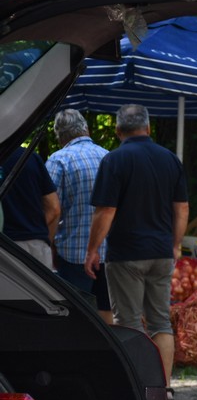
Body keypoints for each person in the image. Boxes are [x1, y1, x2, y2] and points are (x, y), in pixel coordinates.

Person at [85, 104, 187, 400]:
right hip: (161, 252)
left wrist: (93, 250)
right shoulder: (170, 159)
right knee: (160, 322)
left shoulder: (114, 160)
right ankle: (164, 387)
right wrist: (176, 244)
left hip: (126, 254)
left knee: (128, 321)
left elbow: (106, 211)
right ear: (148, 128)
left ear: (118, 131)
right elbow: (181, 208)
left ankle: (138, 387)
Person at [46, 108, 113, 323]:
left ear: (60, 137)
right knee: (108, 312)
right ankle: (107, 356)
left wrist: (50, 246)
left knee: (75, 316)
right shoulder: (109, 157)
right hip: (111, 253)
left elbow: (52, 210)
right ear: (87, 129)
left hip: (74, 255)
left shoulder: (58, 161)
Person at [1, 145, 60, 267]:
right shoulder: (30, 157)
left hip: (5, 248)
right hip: (37, 247)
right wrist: (40, 236)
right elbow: (54, 209)